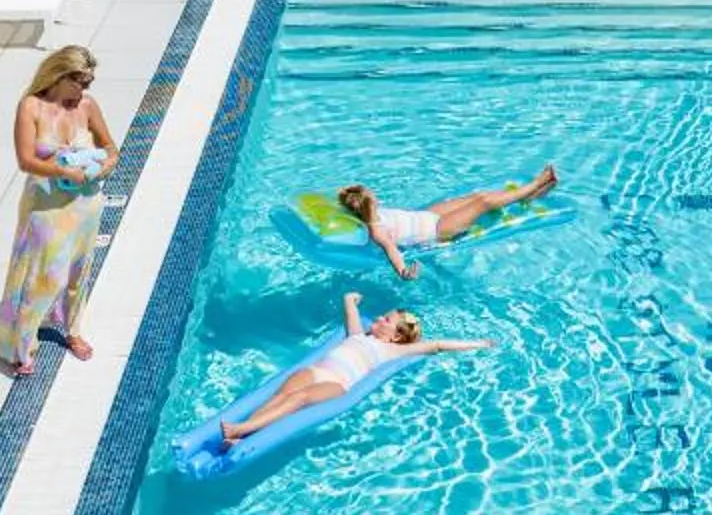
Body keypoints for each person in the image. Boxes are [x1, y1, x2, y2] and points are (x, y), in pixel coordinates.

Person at [0, 45, 116, 376]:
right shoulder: (32, 107)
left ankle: (72, 329)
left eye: (89, 82)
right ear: (60, 76)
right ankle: (20, 343)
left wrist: (103, 168)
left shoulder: (87, 106)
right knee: (42, 274)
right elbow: (26, 160)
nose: (84, 90)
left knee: (77, 270)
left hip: (84, 203)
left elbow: (111, 149)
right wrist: (63, 171)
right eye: (80, 82)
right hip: (45, 204)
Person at [221, 291, 491, 446]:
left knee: (299, 399)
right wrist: (350, 300)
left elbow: (438, 345)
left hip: (337, 383)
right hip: (317, 370)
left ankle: (241, 432)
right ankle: (243, 429)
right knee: (281, 395)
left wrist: (477, 343)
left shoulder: (394, 350)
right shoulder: (358, 335)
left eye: (386, 319)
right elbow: (350, 313)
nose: (379, 318)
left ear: (396, 336)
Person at [334, 166, 558, 280]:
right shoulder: (377, 231)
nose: (375, 193)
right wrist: (404, 272)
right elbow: (392, 252)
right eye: (372, 195)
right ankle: (535, 184)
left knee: (475, 196)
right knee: (483, 202)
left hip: (426, 216)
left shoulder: (370, 213)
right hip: (437, 230)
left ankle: (529, 197)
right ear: (369, 205)